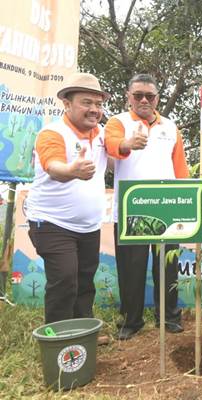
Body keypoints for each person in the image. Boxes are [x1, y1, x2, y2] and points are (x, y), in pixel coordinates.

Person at [104, 73, 190, 340]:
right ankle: (131, 320)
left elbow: (180, 170)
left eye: (149, 96)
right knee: (131, 268)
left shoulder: (170, 127)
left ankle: (169, 317)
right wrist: (128, 144)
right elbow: (111, 146)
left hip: (167, 206)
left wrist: (187, 201)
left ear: (157, 99)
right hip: (132, 207)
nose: (143, 100)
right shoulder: (118, 122)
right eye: (138, 95)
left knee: (167, 265)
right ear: (128, 97)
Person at [26, 73, 111, 323]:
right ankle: (58, 341)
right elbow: (53, 165)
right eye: (87, 102)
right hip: (52, 223)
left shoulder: (102, 134)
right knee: (64, 279)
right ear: (67, 103)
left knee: (85, 280)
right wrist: (72, 171)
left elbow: (119, 159)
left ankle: (83, 331)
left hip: (89, 226)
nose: (94, 109)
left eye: (98, 104)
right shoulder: (52, 133)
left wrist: (129, 145)